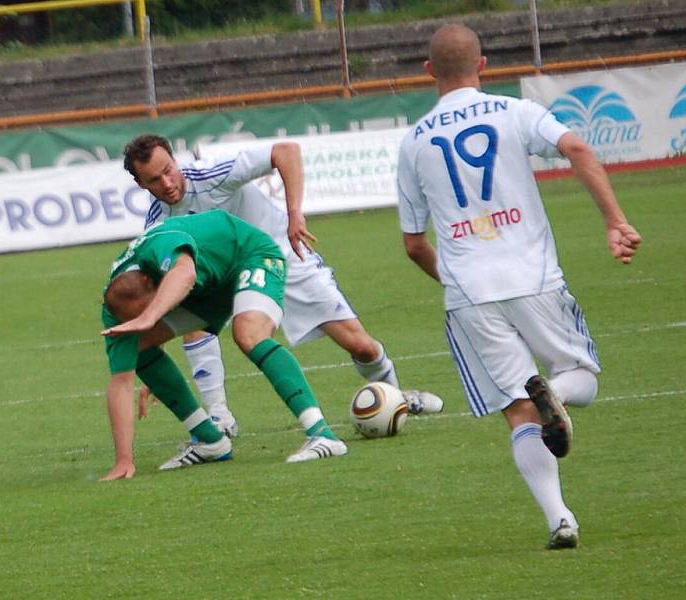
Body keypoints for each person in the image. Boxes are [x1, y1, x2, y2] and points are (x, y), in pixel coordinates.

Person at [396, 24, 641, 549]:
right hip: (533, 277)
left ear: (428, 72)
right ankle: (561, 393)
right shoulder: (514, 112)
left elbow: (414, 244)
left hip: (469, 293)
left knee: (517, 408)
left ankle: (560, 520)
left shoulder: (413, 141)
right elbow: (577, 147)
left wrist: (459, 283)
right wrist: (614, 220)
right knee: (583, 377)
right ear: (483, 65)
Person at [122, 133, 444, 436]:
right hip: (233, 277)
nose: (167, 183)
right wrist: (159, 357)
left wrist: (295, 216)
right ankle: (220, 417)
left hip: (284, 256)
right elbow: (168, 291)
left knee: (361, 346)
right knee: (198, 318)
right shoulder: (157, 223)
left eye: (169, 170)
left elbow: (286, 151)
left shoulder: (211, 177)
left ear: (176, 162)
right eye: (154, 179)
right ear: (140, 184)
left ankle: (396, 396)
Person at [100, 210, 348, 481]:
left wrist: (150, 317)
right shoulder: (115, 310)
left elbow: (184, 272)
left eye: (147, 310)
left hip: (248, 255)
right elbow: (120, 383)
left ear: (152, 282)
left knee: (249, 334)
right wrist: (124, 460)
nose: (143, 320)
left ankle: (322, 434)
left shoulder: (157, 247)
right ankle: (210, 441)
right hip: (207, 288)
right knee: (139, 347)